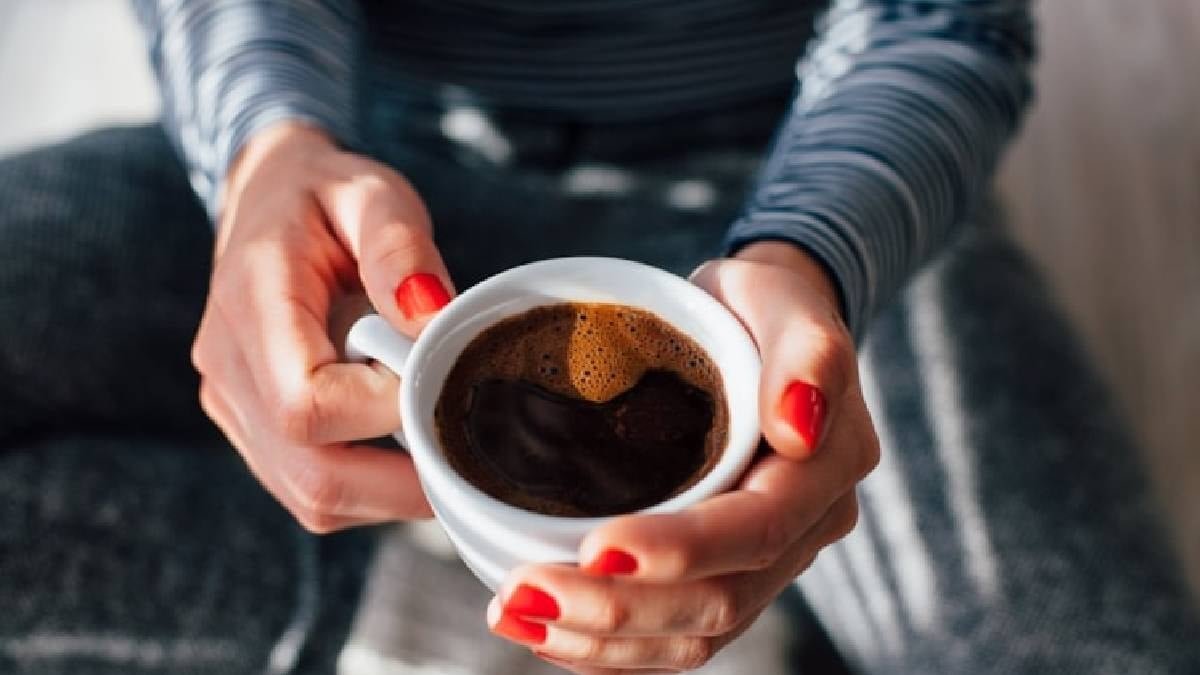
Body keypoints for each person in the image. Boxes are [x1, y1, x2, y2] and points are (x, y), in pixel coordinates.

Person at [1, 1, 1197, 673]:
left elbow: (944, 20)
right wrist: (267, 149)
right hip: (372, 182)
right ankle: (394, 611)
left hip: (798, 205)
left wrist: (818, 247)